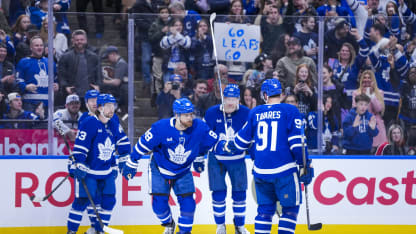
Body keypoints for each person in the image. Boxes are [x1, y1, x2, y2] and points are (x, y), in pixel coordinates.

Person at [221, 78, 314, 234]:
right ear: (281, 94)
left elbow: (239, 143)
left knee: (264, 211)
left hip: (261, 172)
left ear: (265, 95)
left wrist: (229, 144)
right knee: (290, 210)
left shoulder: (255, 112)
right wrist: (305, 165)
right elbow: (298, 145)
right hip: (284, 171)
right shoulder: (290, 110)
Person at [122, 98, 221, 234]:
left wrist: (227, 146)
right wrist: (132, 162)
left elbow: (214, 143)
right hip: (159, 168)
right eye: (186, 115)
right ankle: (169, 224)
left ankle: (185, 232)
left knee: (189, 204)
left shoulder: (199, 126)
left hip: (183, 170)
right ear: (177, 115)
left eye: (191, 114)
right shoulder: (161, 128)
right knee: (159, 206)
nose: (190, 117)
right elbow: (142, 144)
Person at [66, 94, 131, 234]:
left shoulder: (113, 123)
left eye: (113, 105)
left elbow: (123, 142)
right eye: (108, 106)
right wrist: (78, 162)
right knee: (82, 201)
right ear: (100, 108)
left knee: (109, 201)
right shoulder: (89, 123)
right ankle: (71, 231)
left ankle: (97, 231)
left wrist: (124, 159)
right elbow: (81, 147)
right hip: (89, 171)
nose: (111, 109)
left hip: (106, 172)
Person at [204, 84, 250, 234]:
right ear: (222, 98)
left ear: (238, 99)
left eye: (233, 98)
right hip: (216, 159)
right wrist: (218, 146)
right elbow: (205, 136)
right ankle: (220, 226)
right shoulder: (211, 113)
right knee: (218, 192)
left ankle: (239, 225)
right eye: (227, 98)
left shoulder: (246, 113)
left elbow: (252, 136)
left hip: (238, 159)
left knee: (240, 193)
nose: (230, 102)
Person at [16, 36, 58, 115]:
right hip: (29, 103)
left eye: (41, 45)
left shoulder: (50, 62)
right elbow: (18, 80)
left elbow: (55, 79)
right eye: (36, 45)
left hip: (47, 104)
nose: (39, 48)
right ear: (31, 47)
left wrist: (56, 85)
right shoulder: (23, 62)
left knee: (46, 127)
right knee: (30, 126)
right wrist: (25, 86)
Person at [59, 29, 102, 108]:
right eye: (77, 40)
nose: (79, 42)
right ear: (73, 41)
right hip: (73, 92)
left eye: (82, 39)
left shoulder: (94, 56)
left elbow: (98, 73)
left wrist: (98, 85)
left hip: (90, 92)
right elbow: (61, 74)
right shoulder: (66, 56)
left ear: (86, 40)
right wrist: (65, 86)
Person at [352, 70, 387, 150]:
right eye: (365, 77)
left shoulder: (379, 92)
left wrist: (371, 95)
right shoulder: (356, 93)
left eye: (369, 78)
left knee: (378, 154)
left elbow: (379, 109)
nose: (367, 79)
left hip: (377, 127)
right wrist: (364, 95)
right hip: (362, 126)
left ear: (373, 80)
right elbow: (355, 109)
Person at [101, 46, 128, 114]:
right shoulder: (119, 63)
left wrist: (103, 81)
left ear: (113, 54)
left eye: (108, 57)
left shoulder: (121, 64)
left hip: (124, 93)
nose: (108, 59)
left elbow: (116, 82)